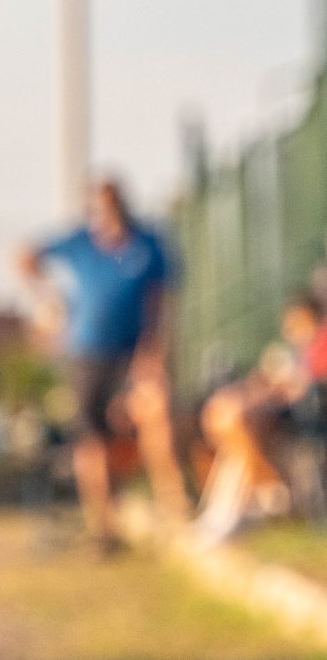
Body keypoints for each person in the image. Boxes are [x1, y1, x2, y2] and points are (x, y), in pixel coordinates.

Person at [18, 176, 186, 549]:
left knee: (153, 416)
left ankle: (173, 506)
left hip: (135, 351)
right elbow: (25, 256)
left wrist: (153, 350)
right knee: (90, 437)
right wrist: (48, 302)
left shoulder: (148, 244)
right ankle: (103, 525)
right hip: (87, 353)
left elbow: (161, 301)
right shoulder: (80, 242)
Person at [192, 293, 327, 546]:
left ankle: (255, 498)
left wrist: (277, 385)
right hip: (286, 412)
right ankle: (225, 510)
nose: (288, 329)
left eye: (294, 322)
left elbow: (306, 388)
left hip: (303, 417)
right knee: (229, 422)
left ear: (309, 317)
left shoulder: (321, 344)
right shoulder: (300, 350)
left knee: (236, 420)